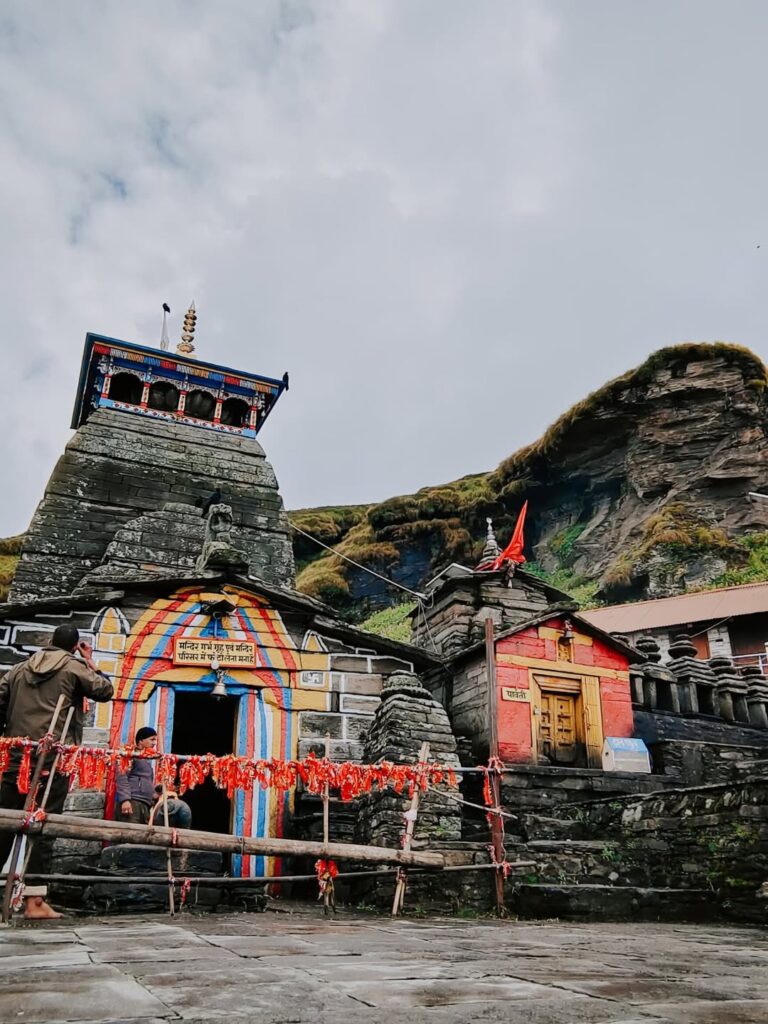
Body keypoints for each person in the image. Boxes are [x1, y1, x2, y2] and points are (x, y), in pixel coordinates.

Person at [0, 624, 114, 919]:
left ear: (51, 642)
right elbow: (105, 690)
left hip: (17, 758)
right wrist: (90, 662)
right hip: (52, 760)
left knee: (4, 824)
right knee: (42, 827)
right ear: (75, 646)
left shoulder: (19, 669)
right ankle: (34, 901)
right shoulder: (74, 668)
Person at [115, 727, 157, 824]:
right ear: (141, 741)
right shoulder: (130, 755)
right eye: (152, 739)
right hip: (132, 803)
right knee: (129, 835)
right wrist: (125, 800)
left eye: (155, 740)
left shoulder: (146, 761)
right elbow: (122, 777)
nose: (154, 743)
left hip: (144, 805)